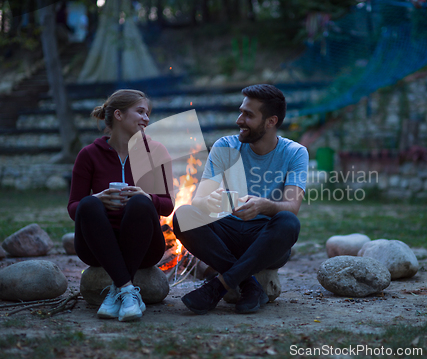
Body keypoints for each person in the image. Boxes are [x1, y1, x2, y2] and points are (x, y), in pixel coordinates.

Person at [173, 84, 308, 315]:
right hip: (226, 233)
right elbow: (198, 201)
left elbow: (292, 206)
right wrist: (210, 201)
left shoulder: (295, 152)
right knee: (183, 216)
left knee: (288, 222)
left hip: (264, 240)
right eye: (240, 111)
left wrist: (264, 205)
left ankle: (217, 287)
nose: (239, 120)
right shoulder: (225, 146)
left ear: (271, 121)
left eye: (248, 115)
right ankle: (250, 286)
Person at [67, 89, 174, 322]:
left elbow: (167, 206)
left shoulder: (155, 152)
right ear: (118, 115)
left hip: (144, 247)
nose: (146, 118)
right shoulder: (89, 155)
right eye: (140, 111)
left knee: (139, 202)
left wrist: (147, 197)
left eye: (148, 113)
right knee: (88, 203)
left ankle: (119, 289)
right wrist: (99, 199)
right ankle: (127, 290)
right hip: (97, 246)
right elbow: (74, 208)